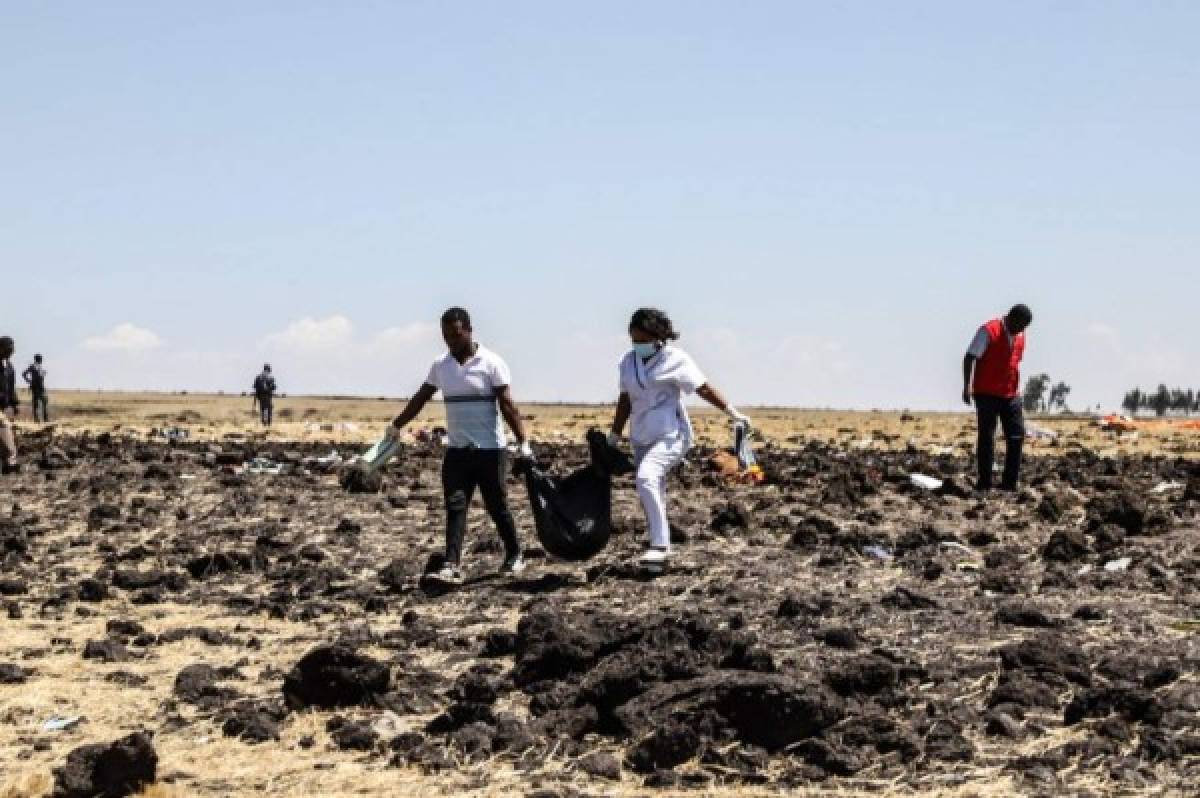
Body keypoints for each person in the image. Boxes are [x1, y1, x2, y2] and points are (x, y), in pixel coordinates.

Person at [386, 307, 533, 585]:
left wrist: (523, 442)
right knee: (456, 505)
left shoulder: (492, 363)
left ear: (468, 330)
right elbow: (421, 398)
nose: (451, 342)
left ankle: (514, 553)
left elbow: (508, 406)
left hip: (490, 451)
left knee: (496, 505)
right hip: (457, 452)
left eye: (455, 335)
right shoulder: (441, 366)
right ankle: (451, 564)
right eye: (445, 337)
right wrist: (396, 425)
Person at [609, 308, 749, 568]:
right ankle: (656, 556)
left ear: (658, 337)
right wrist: (614, 435)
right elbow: (625, 399)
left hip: (671, 434)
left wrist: (732, 412)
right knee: (653, 488)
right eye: (634, 341)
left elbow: (703, 389)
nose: (638, 346)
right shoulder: (627, 362)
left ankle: (660, 545)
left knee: (646, 478)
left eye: (643, 341)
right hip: (641, 435)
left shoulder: (676, 360)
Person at [962, 304, 1033, 491]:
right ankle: (984, 483)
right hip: (986, 393)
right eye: (1020, 325)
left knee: (1016, 436)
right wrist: (966, 386)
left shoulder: (1020, 336)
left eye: (1025, 327)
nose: (1022, 330)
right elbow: (970, 357)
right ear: (1011, 317)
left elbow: (1013, 362)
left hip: (1010, 394)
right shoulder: (989, 330)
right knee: (987, 436)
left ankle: (1009, 484)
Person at [0, 337, 19, 474]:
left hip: (2, 405)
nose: (12, 350)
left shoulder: (10, 367)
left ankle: (8, 463)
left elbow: (11, 387)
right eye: (9, 347)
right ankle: (10, 463)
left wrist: (14, 403)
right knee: (4, 426)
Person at [22, 354, 48, 423]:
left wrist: (43, 374)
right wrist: (29, 381)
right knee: (36, 404)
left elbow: (41, 376)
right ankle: (37, 420)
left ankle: (45, 419)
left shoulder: (40, 367)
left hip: (41, 387)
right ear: (38, 359)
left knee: (44, 402)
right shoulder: (32, 366)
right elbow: (24, 374)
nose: (41, 360)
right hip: (35, 387)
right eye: (40, 359)